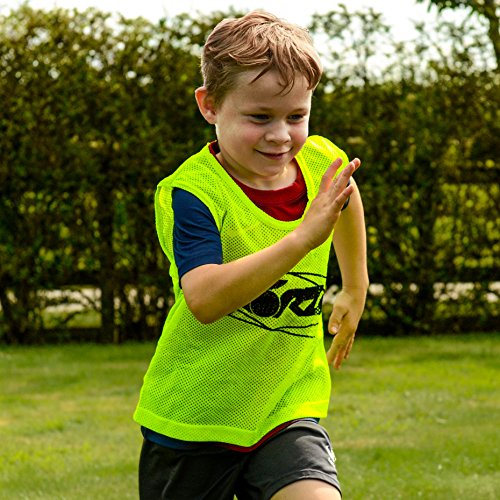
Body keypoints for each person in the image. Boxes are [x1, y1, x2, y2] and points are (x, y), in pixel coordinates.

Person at [134, 10, 368, 500]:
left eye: (296, 116)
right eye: (259, 117)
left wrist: (355, 284)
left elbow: (343, 193)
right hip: (197, 420)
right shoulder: (193, 193)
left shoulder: (318, 160)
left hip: (285, 404)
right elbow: (204, 298)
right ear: (210, 105)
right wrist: (302, 240)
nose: (281, 135)